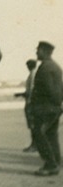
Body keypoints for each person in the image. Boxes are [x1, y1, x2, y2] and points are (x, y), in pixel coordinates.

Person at [31, 41, 63, 176]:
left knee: (38, 134)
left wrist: (35, 103)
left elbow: (48, 90)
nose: (36, 52)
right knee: (51, 135)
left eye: (38, 50)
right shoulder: (55, 66)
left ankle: (50, 164)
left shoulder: (45, 68)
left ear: (44, 51)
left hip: (45, 108)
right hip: (54, 108)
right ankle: (57, 162)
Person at [15, 59, 38, 152]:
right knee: (33, 125)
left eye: (27, 65)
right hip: (32, 102)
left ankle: (34, 145)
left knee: (32, 125)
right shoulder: (34, 74)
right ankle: (35, 144)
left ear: (30, 66)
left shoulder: (32, 75)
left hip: (30, 103)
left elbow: (31, 91)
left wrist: (21, 94)